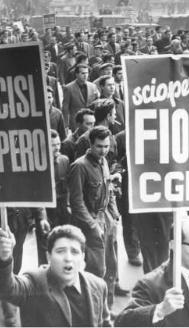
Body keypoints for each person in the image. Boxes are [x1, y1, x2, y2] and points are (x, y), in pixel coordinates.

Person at [0, 224, 111, 327]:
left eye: (74, 252)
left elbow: (105, 323)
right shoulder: (34, 282)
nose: (68, 258)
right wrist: (4, 257)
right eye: (60, 251)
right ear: (48, 257)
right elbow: (6, 288)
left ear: (83, 257)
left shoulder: (98, 285)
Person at [68, 125, 120, 306]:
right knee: (96, 269)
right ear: (90, 144)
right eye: (99, 146)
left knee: (111, 265)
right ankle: (93, 309)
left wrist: (114, 214)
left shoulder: (103, 162)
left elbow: (108, 189)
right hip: (89, 222)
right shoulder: (79, 166)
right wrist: (92, 225)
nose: (104, 151)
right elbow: (76, 203)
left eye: (106, 146)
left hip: (106, 218)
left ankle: (107, 309)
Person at [62, 64, 100, 131]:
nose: (85, 75)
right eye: (82, 73)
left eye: (87, 73)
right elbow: (65, 107)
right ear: (76, 74)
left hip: (90, 121)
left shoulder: (93, 86)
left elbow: (97, 103)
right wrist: (66, 125)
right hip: (76, 122)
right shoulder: (68, 88)